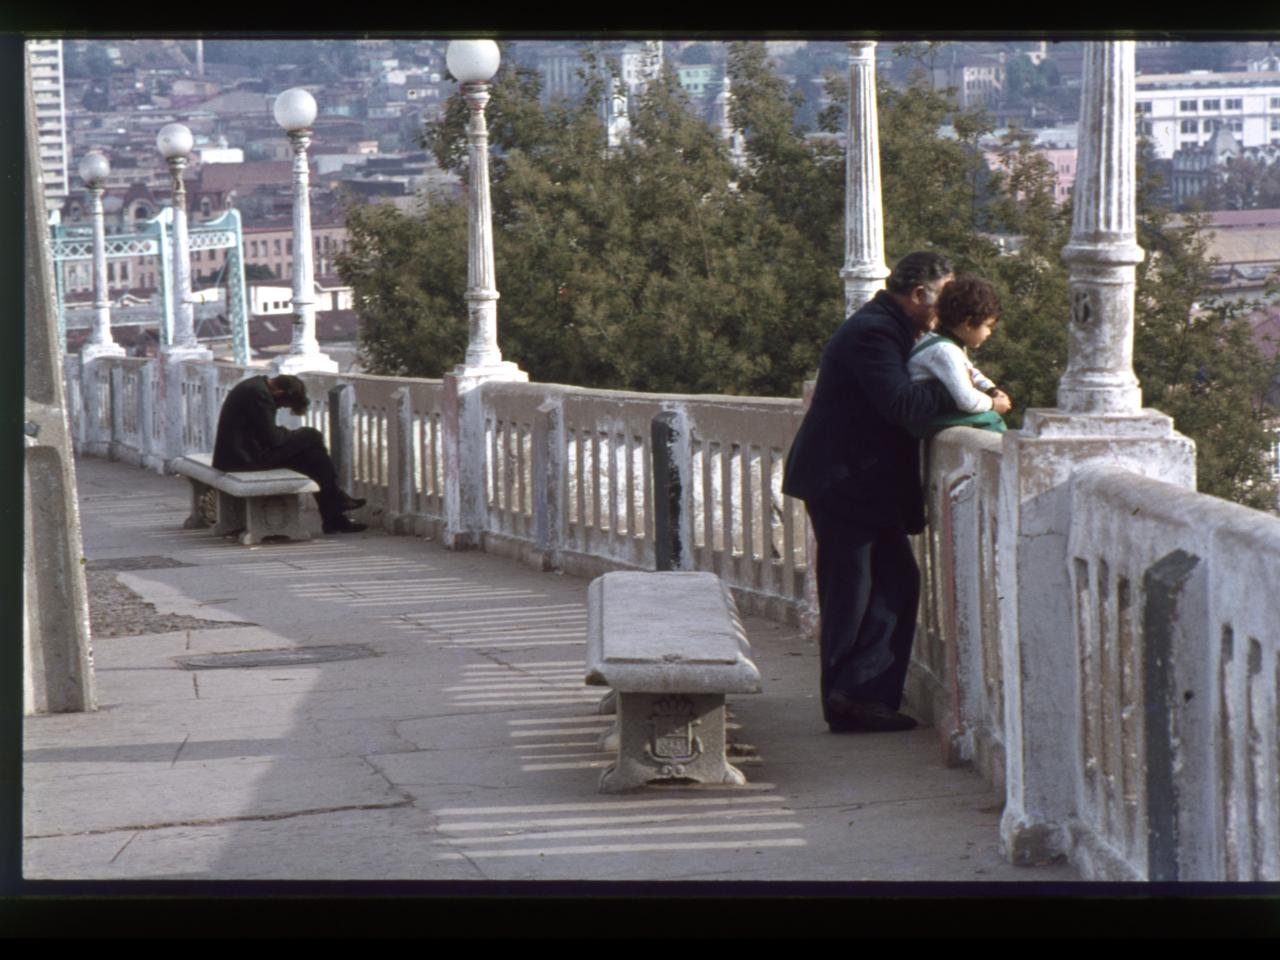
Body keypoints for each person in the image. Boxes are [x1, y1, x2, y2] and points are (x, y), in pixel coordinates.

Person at [782, 251, 959, 733]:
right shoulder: (874, 332)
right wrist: (961, 392)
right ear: (919, 294)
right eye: (943, 296)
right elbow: (902, 404)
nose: (948, 307)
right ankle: (849, 702)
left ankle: (861, 696)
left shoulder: (890, 328)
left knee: (891, 584)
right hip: (845, 482)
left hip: (857, 482)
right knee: (853, 593)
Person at [212, 374, 367, 534]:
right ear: (279, 393)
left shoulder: (256, 386)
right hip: (244, 460)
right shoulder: (259, 395)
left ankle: (335, 517)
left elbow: (266, 435)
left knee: (315, 458)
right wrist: (300, 434)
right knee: (313, 436)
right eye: (282, 405)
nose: (279, 408)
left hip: (242, 454)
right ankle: (336, 506)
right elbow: (274, 439)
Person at [906, 274, 1012, 438]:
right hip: (925, 419)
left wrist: (991, 389)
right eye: (988, 326)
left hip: (930, 415)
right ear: (968, 323)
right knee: (991, 419)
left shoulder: (945, 342)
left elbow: (970, 371)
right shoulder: (944, 351)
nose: (989, 333)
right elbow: (966, 400)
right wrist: (993, 404)